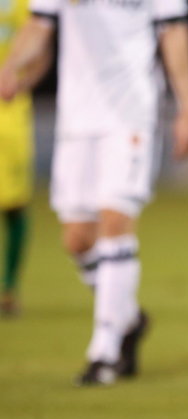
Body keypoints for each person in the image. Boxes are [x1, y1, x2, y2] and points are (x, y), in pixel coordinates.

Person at [0, 0, 188, 383]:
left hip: (130, 115)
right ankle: (128, 316)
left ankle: (105, 352)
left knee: (115, 218)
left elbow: (174, 32)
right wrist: (11, 65)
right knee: (77, 240)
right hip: (77, 119)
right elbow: (38, 25)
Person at [0, 0, 50, 316]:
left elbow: (43, 47)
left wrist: (21, 82)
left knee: (13, 203)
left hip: (9, 110)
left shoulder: (23, 2)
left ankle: (8, 289)